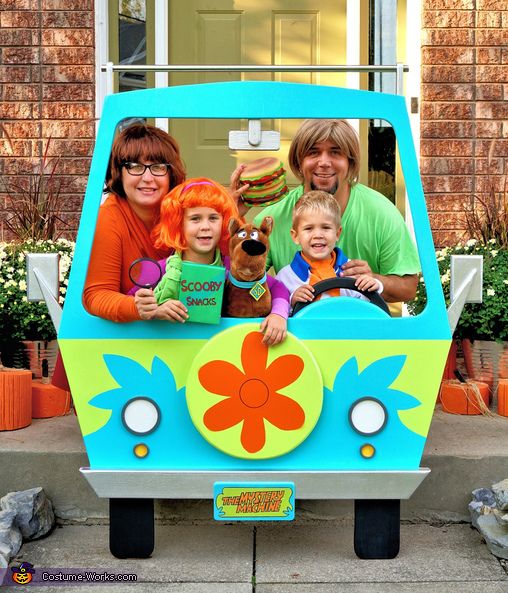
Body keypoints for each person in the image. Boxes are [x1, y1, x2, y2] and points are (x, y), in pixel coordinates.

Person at [232, 119, 420, 304]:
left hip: (360, 330)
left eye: (335, 152)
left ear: (350, 162)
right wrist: (284, 298)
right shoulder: (270, 220)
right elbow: (241, 284)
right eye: (313, 152)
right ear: (299, 161)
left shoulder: (381, 213)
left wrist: (374, 280)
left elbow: (409, 288)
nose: (324, 162)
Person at [135, 178, 290, 345]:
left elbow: (278, 288)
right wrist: (154, 310)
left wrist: (278, 314)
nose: (205, 226)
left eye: (213, 218)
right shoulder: (158, 270)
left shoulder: (234, 267)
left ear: (224, 223)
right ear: (178, 224)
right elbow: (131, 305)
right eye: (195, 218)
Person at [83, 122, 186, 322]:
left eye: (157, 167)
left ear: (171, 173)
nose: (147, 178)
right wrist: (138, 307)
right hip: (116, 344)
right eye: (135, 167)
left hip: (178, 339)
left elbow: (225, 268)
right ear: (119, 173)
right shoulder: (109, 217)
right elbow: (96, 295)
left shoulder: (185, 211)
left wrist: (233, 214)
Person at [276, 191, 382, 310]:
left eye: (326, 227)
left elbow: (367, 310)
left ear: (337, 233)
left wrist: (373, 285)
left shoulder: (351, 271)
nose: (318, 235)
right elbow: (277, 314)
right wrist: (292, 301)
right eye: (309, 228)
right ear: (295, 236)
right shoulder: (285, 277)